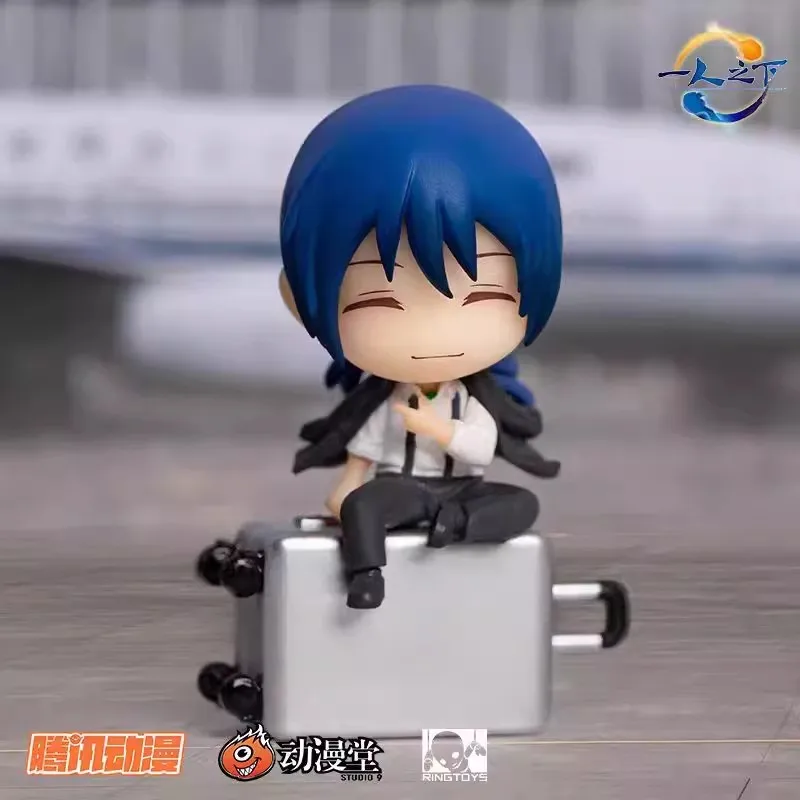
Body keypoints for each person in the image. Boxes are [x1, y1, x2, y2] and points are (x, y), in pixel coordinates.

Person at [278, 85, 563, 609]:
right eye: (381, 301)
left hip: (462, 490)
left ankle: (453, 524)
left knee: (521, 504)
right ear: (299, 300)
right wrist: (346, 491)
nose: (433, 333)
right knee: (363, 507)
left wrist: (435, 428)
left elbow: (478, 450)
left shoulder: (468, 403)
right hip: (401, 490)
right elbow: (363, 457)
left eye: (484, 296)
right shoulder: (385, 404)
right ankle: (368, 575)